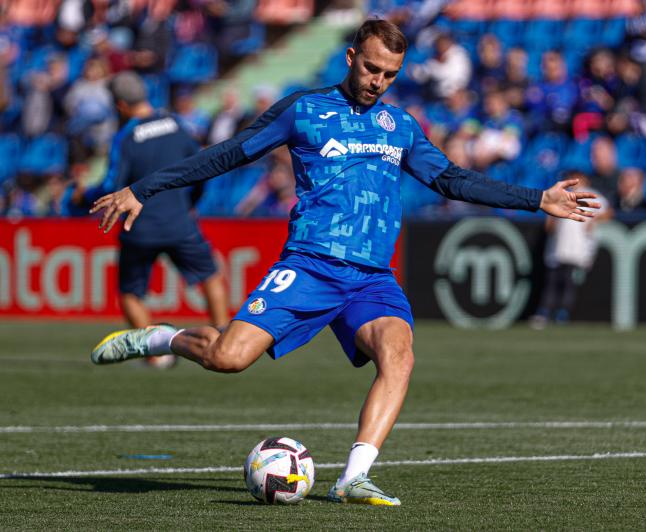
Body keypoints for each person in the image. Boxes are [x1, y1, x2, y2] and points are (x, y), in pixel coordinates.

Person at [88, 19, 598, 505]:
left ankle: (354, 479)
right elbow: (226, 154)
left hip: (371, 277)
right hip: (311, 265)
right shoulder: (303, 110)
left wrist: (537, 198)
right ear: (351, 56)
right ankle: (159, 338)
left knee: (399, 355)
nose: (378, 81)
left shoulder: (398, 125)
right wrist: (142, 188)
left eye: (390, 74)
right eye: (371, 68)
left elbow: (453, 179)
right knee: (228, 357)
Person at [66, 71, 228, 366]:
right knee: (210, 276)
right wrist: (191, 203)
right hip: (180, 221)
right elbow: (204, 169)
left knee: (129, 292)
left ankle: (157, 358)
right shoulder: (179, 126)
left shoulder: (125, 137)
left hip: (138, 226)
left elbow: (110, 185)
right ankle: (222, 339)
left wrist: (81, 196)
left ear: (120, 105)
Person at [531, 170, 613, 329]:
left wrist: (593, 220)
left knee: (568, 282)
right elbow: (550, 223)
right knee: (552, 282)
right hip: (558, 247)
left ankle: (562, 314)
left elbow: (608, 212)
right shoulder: (561, 195)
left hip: (577, 248)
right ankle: (544, 313)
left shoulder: (591, 195)